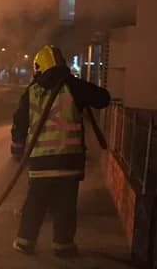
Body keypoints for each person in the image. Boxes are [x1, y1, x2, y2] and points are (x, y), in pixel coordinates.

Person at [10, 44, 110, 255]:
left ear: (39, 67)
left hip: (40, 163)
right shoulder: (73, 87)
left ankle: (25, 242)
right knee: (65, 205)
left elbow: (19, 123)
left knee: (35, 203)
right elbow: (103, 99)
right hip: (69, 162)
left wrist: (17, 150)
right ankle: (63, 245)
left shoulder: (31, 92)